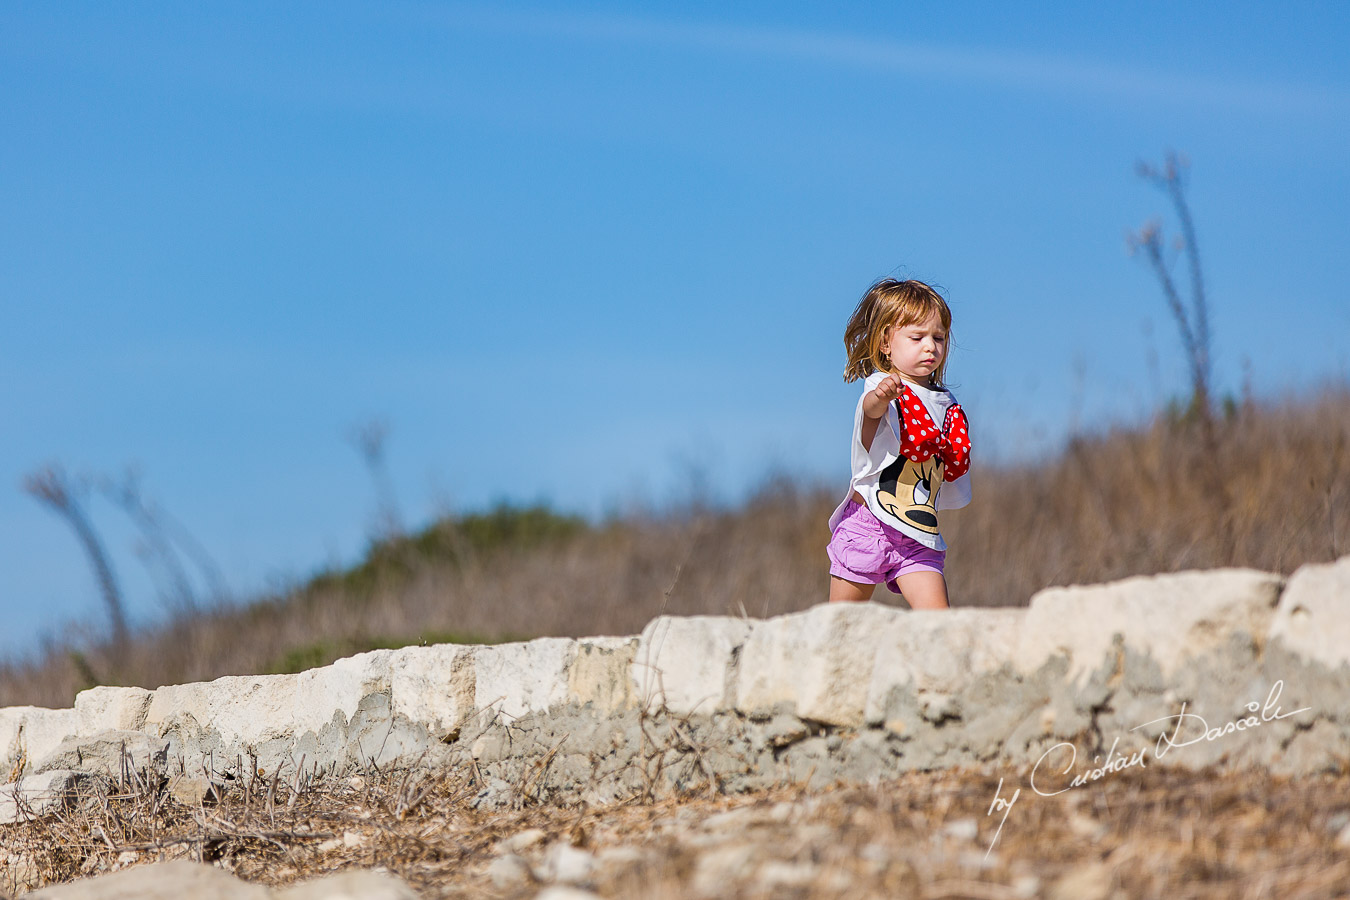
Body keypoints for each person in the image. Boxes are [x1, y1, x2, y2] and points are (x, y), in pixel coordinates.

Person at [825, 277, 972, 609]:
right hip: (868, 525)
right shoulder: (883, 385)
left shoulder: (946, 403)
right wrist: (880, 397)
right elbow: (870, 413)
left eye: (939, 337)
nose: (930, 347)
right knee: (840, 626)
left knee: (939, 622)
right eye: (917, 337)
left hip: (917, 533)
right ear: (886, 343)